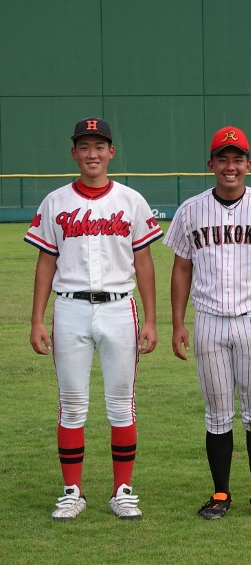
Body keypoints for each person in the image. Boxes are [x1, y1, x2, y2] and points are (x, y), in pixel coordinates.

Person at [27, 117, 163, 521]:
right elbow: (45, 262)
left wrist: (152, 319)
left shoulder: (131, 200)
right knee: (71, 404)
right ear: (74, 153)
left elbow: (144, 261)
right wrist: (36, 319)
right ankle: (73, 492)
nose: (92, 154)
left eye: (99, 146)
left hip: (120, 306)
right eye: (84, 147)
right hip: (69, 307)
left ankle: (122, 491)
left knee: (122, 404)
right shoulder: (55, 201)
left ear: (111, 152)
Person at [165, 126, 251, 520]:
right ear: (210, 164)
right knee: (217, 413)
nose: (230, 166)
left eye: (237, 159)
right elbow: (181, 268)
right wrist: (178, 323)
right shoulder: (190, 210)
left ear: (248, 164)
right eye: (222, 159)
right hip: (208, 321)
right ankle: (220, 493)